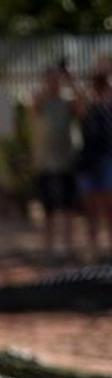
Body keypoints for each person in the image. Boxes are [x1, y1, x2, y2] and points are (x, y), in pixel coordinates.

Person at [30, 64, 81, 256]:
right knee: (48, 208)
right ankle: (48, 248)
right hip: (45, 163)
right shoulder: (40, 100)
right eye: (50, 79)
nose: (54, 82)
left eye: (56, 79)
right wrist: (47, 86)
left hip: (66, 161)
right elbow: (34, 107)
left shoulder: (67, 101)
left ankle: (69, 247)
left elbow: (82, 109)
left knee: (68, 207)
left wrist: (72, 81)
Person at [74, 67, 112, 254]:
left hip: (107, 162)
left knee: (108, 207)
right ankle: (93, 249)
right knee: (91, 211)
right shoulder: (88, 107)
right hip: (88, 163)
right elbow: (79, 104)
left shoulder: (109, 108)